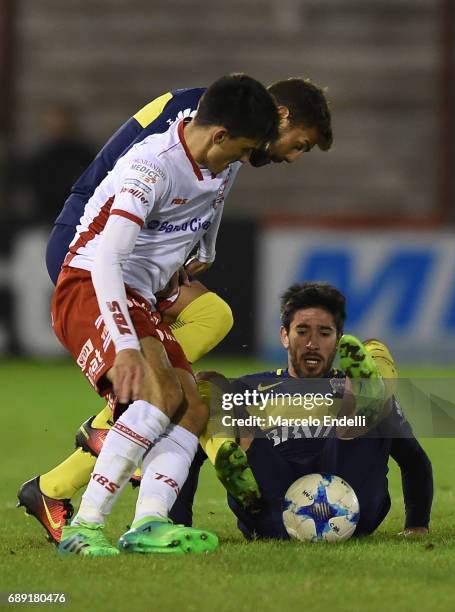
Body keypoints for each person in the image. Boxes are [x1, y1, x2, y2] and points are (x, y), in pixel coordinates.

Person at [18, 77, 334, 544]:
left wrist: (201, 242)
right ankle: (112, 436)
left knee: (201, 356)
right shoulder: (187, 129)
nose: (292, 157)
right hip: (96, 246)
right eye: (299, 145)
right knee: (158, 393)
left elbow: (213, 188)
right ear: (279, 118)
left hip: (144, 264)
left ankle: (129, 502)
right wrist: (126, 344)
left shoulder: (229, 143)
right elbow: (122, 208)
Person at [196, 282, 433, 539]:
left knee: (371, 362)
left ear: (338, 340)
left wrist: (416, 525)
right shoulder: (248, 388)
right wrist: (178, 521)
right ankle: (234, 463)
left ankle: (363, 408)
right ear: (284, 336)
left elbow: (414, 460)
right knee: (209, 384)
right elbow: (190, 455)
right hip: (271, 503)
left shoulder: (353, 384)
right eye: (302, 331)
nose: (312, 343)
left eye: (324, 333)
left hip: (353, 496)